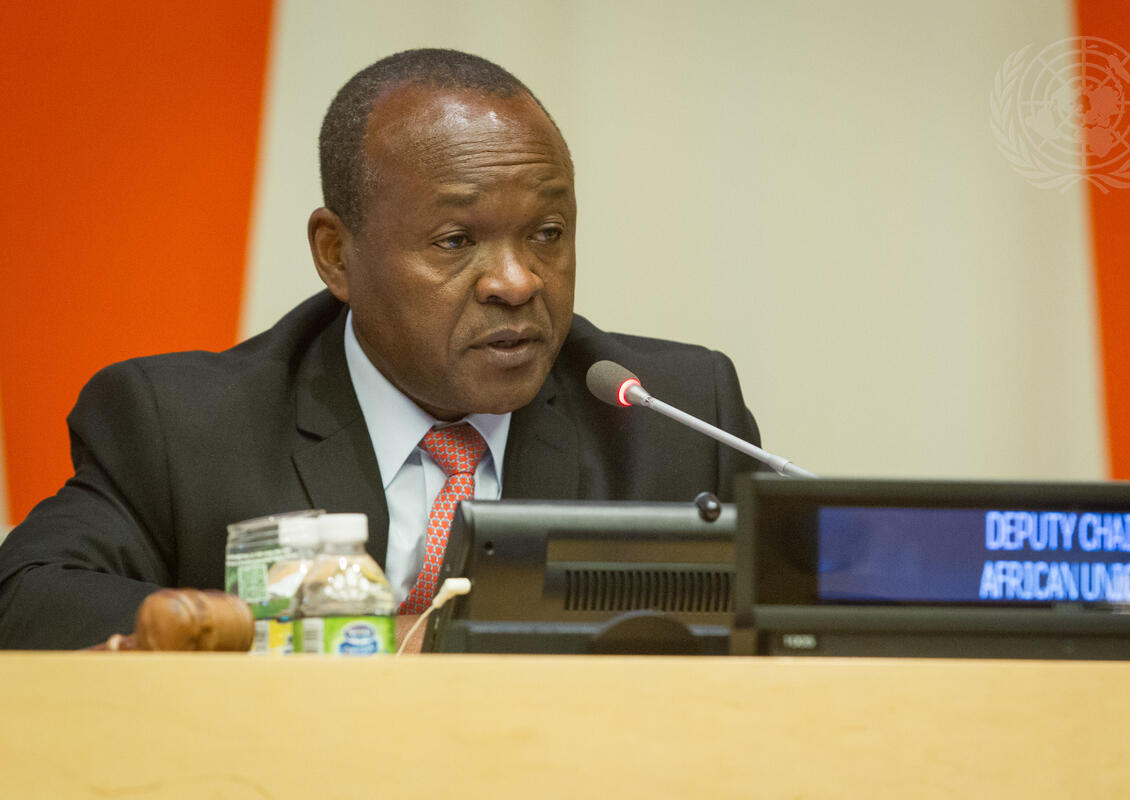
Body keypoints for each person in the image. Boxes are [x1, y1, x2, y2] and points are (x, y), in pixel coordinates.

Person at [0, 49, 761, 649]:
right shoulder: (183, 427)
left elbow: (791, 623)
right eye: (456, 241)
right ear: (336, 254)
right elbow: (25, 594)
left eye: (547, 234)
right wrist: (263, 637)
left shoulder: (673, 418)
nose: (517, 280)